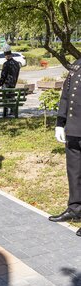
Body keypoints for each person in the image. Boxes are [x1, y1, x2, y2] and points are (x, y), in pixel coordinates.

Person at [50, 59, 81, 236]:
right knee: (74, 172)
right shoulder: (77, 64)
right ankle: (75, 209)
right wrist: (60, 123)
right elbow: (66, 95)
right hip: (74, 129)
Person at [0, 45, 21, 116]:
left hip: (6, 84)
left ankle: (5, 113)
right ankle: (12, 111)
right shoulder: (17, 64)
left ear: (6, 55)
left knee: (5, 98)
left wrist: (0, 83)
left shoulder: (6, 64)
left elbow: (3, 75)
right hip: (13, 84)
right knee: (12, 97)